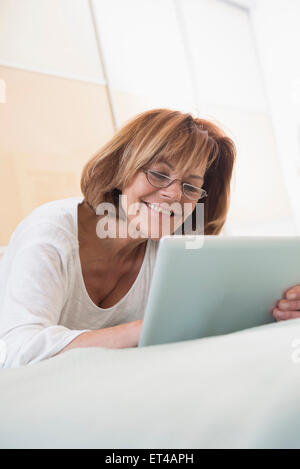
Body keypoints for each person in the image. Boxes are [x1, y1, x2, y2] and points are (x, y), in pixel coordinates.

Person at [0, 107, 292, 369]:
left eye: (190, 186)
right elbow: (15, 351)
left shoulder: (174, 248)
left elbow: (214, 318)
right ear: (121, 167)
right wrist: (146, 329)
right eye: (158, 174)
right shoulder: (50, 233)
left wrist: (278, 310)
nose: (174, 194)